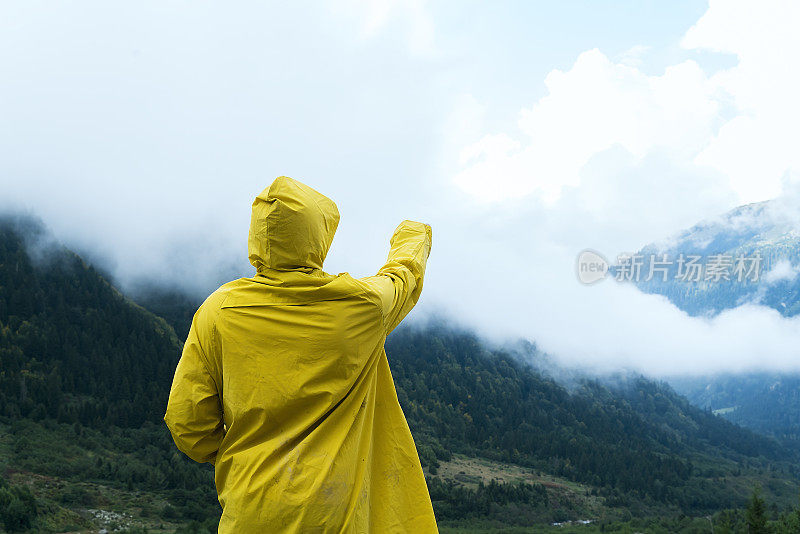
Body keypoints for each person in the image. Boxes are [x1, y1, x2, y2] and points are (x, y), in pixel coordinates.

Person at [164, 176, 437, 533]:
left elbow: (187, 421)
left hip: (250, 507)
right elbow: (404, 278)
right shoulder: (361, 306)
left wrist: (242, 456)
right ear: (318, 237)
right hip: (333, 512)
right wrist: (413, 233)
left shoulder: (219, 310)